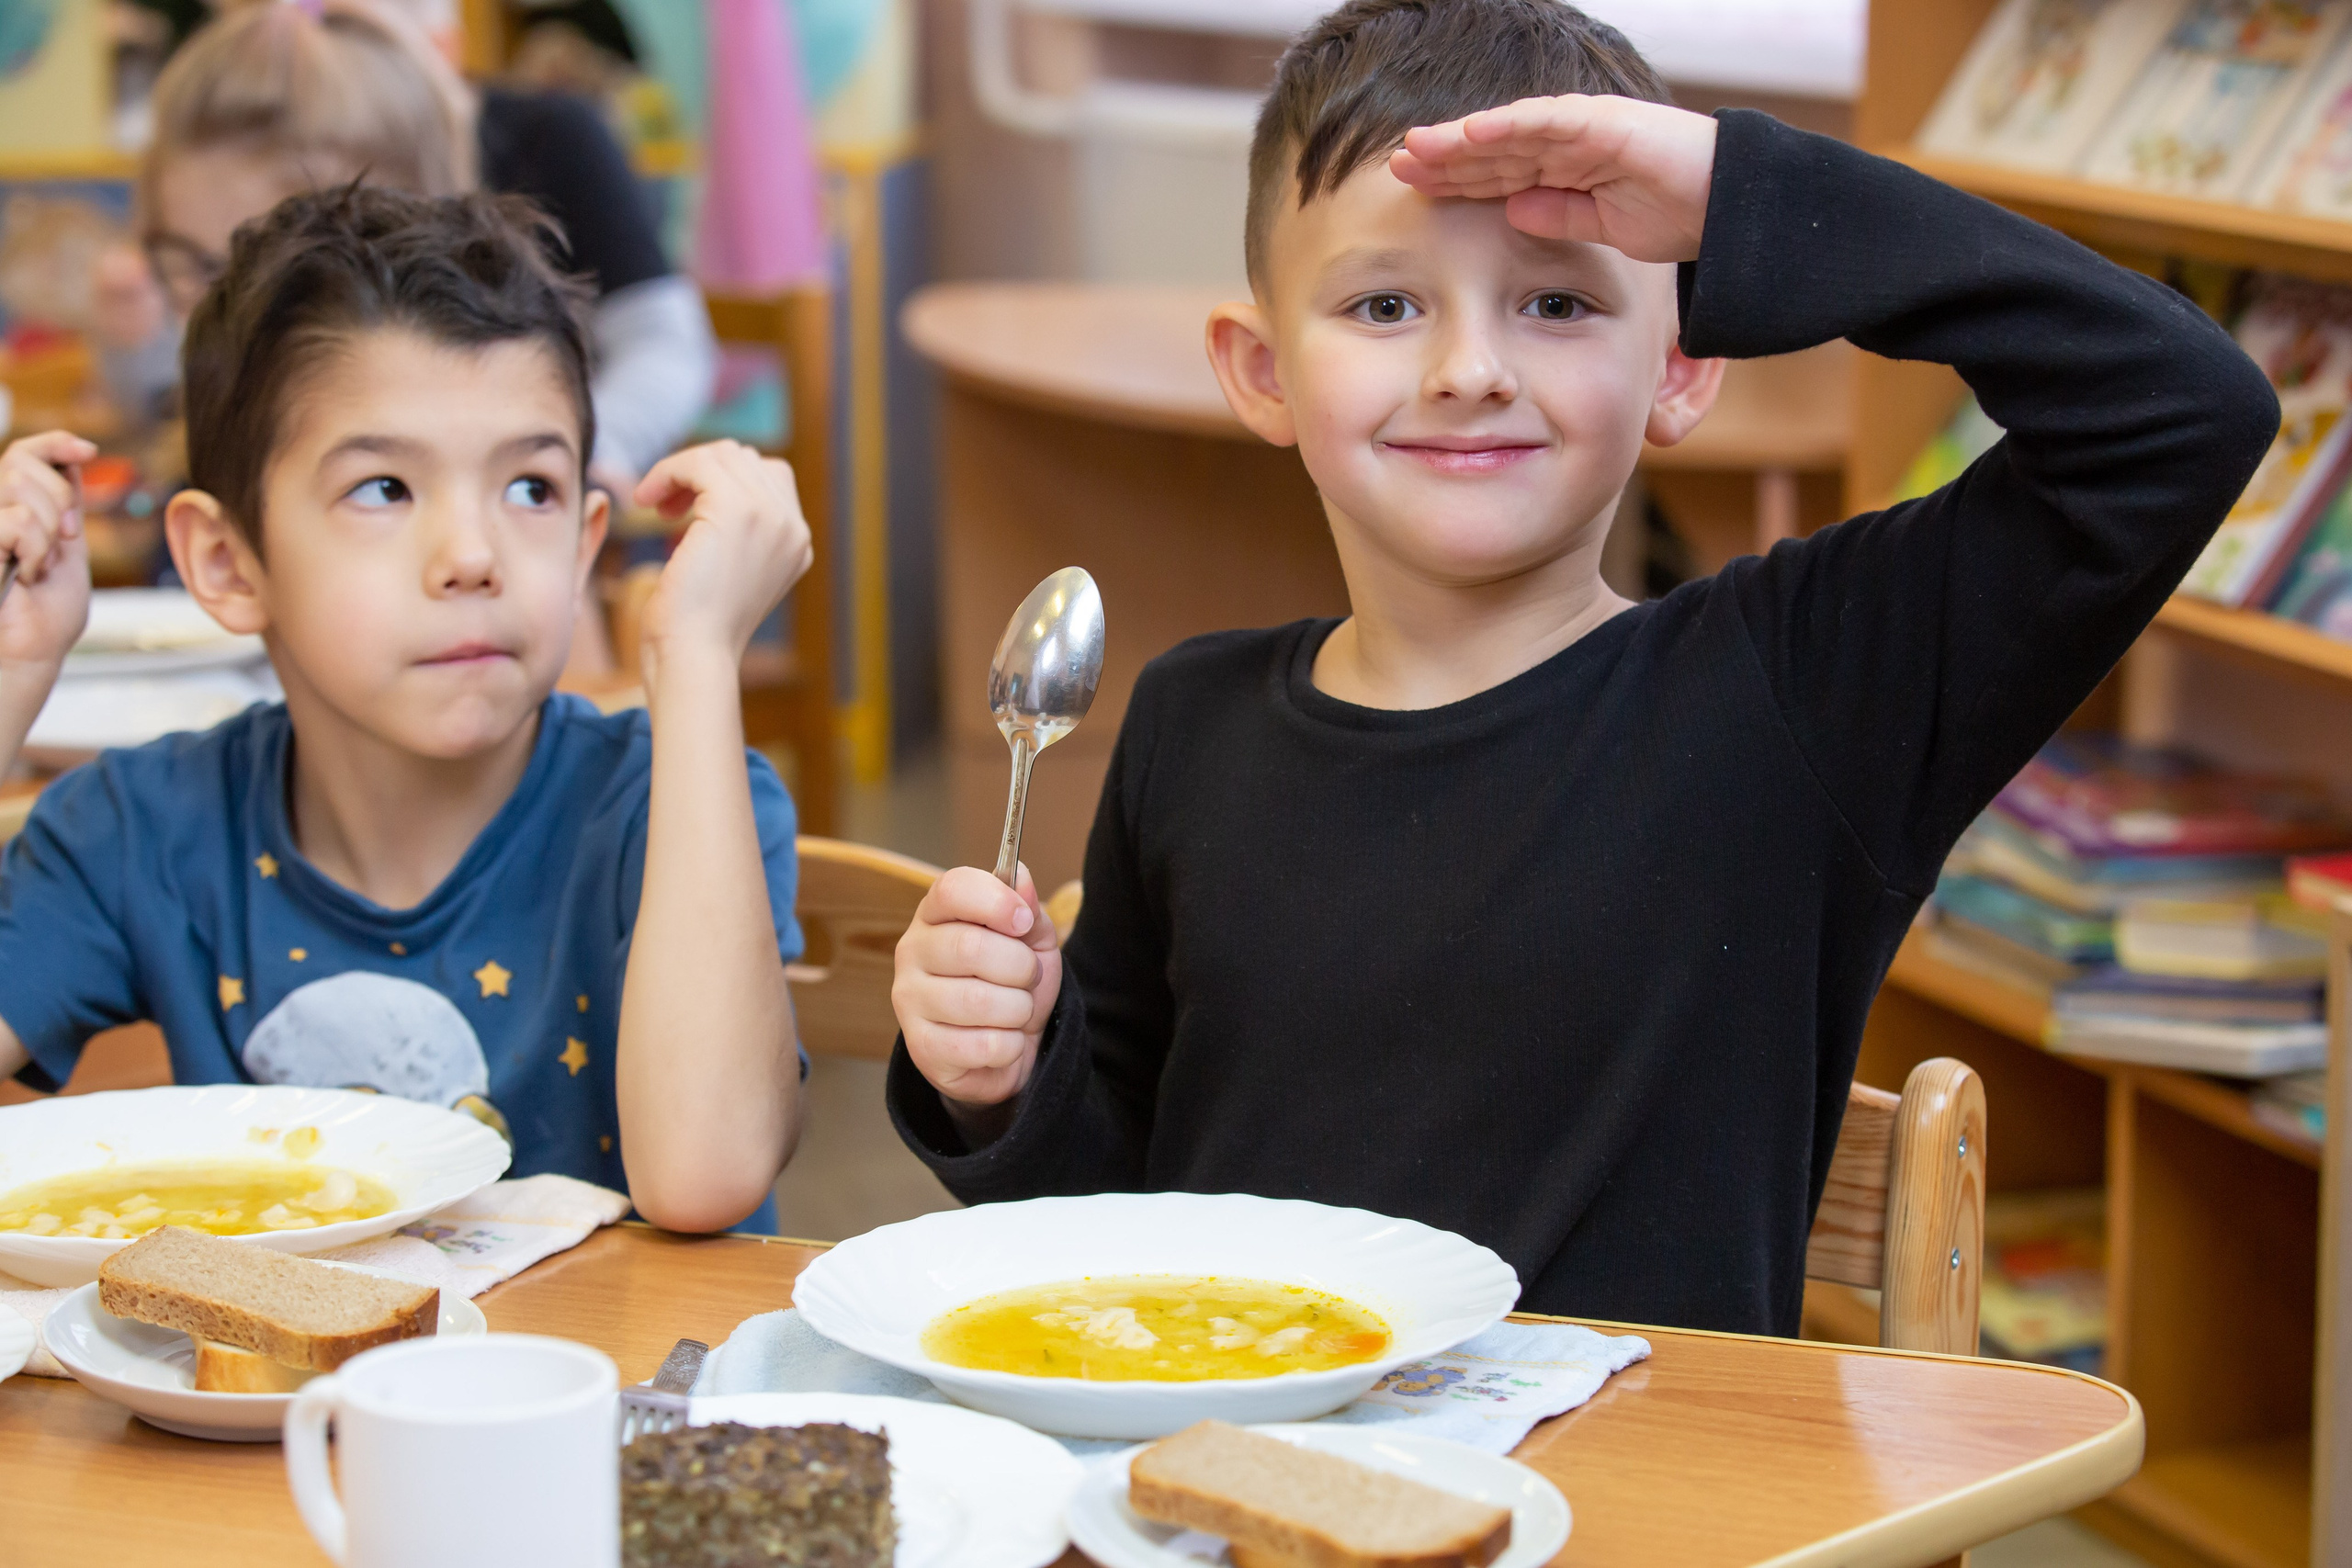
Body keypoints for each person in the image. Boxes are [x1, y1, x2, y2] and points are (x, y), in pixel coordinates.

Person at [885, 0, 2278, 1333]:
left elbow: (2182, 414)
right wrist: (1000, 1084)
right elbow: (1113, 1222)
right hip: (1235, 1482)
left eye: (1556, 302)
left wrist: (1736, 193)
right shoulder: (1190, 719)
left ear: (1681, 366)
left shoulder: (1797, 694)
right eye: (1382, 307)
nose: (1470, 367)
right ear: (1263, 373)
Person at [0, 186, 808, 1234]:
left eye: (530, 490)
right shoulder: (136, 832)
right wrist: (15, 671)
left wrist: (696, 652)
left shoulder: (683, 804)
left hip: (619, 1392)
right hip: (280, 1399)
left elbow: (706, 1177)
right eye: (384, 489)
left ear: (584, 543)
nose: (472, 556)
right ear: (226, 561)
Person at [96, 0, 716, 491]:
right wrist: (134, 339)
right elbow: (175, 391)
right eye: (195, 267)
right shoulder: (218, 162)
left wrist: (551, 457)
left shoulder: (555, 135)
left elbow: (666, 348)